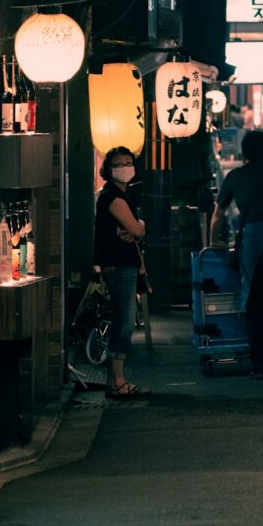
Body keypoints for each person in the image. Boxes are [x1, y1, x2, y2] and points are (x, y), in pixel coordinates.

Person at [209, 131, 263, 383]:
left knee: (255, 304)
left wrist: (214, 240)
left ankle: (259, 363)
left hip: (255, 239)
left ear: (244, 151)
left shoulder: (235, 176)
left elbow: (218, 213)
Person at [93, 146, 149, 398]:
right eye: (119, 163)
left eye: (129, 162)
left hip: (119, 264)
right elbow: (137, 232)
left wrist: (138, 226)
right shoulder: (114, 197)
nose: (125, 166)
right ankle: (117, 381)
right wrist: (139, 227)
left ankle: (115, 381)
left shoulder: (120, 196)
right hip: (120, 265)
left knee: (123, 320)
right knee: (124, 322)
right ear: (109, 169)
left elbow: (136, 229)